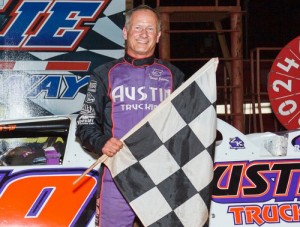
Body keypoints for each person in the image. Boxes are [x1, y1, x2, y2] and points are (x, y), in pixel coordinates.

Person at [75, 4, 185, 227]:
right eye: (137, 28)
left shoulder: (175, 76)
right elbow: (85, 123)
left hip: (163, 174)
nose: (144, 34)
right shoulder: (104, 74)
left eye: (150, 29)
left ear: (159, 35)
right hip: (117, 174)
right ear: (125, 33)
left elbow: (188, 127)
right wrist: (102, 142)